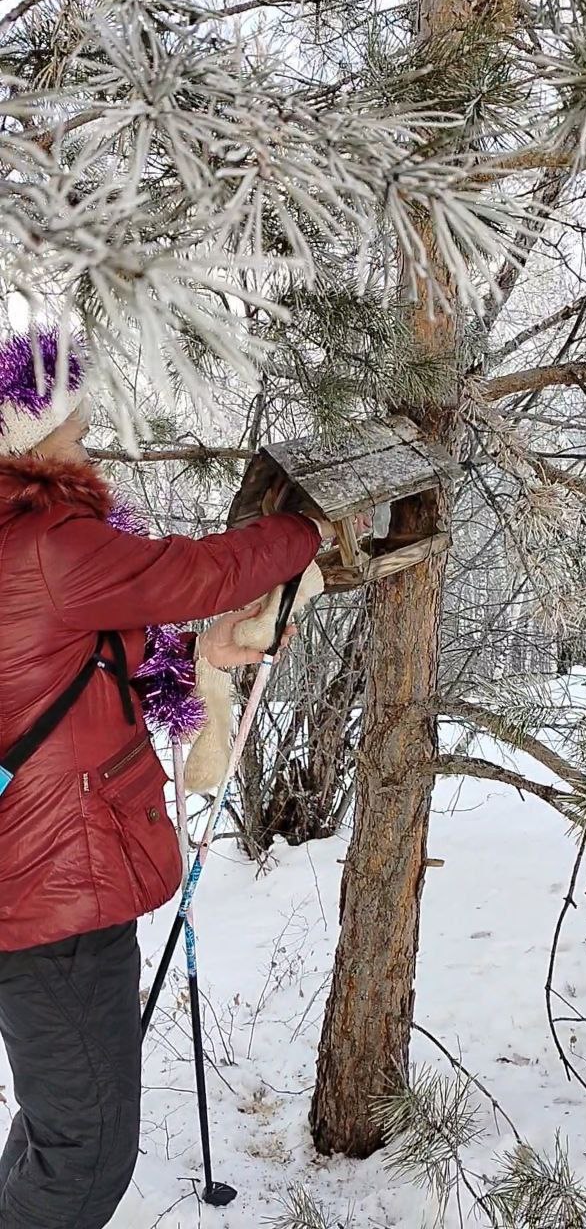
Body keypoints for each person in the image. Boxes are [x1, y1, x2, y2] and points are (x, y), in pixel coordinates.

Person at [0, 332, 331, 1229]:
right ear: (31, 433)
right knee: (85, 1153)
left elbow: (73, 672)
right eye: (71, 420)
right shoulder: (42, 544)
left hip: (35, 884)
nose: (88, 432)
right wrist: (310, 529)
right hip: (52, 896)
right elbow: (195, 571)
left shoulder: (25, 547)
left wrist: (202, 654)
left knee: (56, 1127)